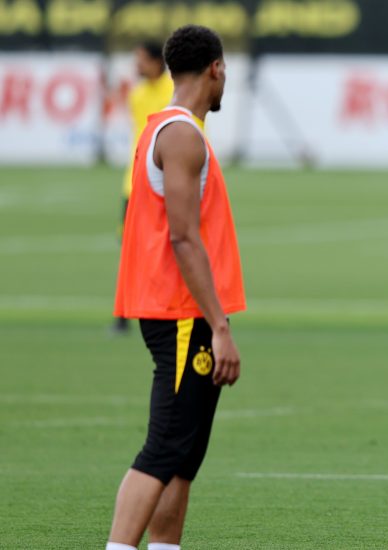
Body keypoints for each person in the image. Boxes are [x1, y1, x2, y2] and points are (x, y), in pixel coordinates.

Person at [107, 25, 244, 550]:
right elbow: (184, 239)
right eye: (224, 68)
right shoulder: (183, 135)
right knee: (165, 450)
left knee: (185, 457)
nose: (225, 76)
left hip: (180, 311)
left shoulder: (164, 127)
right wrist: (220, 325)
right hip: (184, 314)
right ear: (215, 68)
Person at [111, 41, 174, 335]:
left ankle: (168, 310)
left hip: (165, 183)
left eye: (140, 60)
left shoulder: (173, 92)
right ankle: (122, 316)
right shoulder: (136, 95)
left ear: (155, 61)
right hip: (134, 183)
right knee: (128, 250)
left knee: (170, 248)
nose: (136, 65)